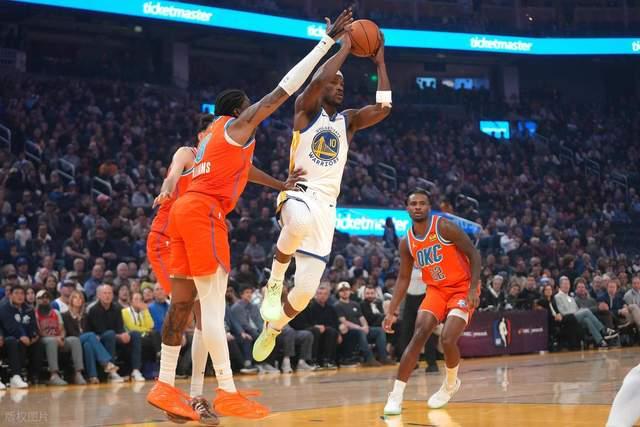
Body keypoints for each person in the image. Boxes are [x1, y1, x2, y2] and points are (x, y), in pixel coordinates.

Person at [147, 9, 353, 422]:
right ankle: (225, 391)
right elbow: (283, 89)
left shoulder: (211, 139)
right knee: (211, 311)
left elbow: (242, 171)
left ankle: (166, 386)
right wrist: (327, 43)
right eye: (248, 108)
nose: (255, 113)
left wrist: (279, 183)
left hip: (181, 215)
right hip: (203, 213)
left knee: (183, 304)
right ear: (239, 111)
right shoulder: (236, 126)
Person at [254, 18, 392, 367]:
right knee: (297, 222)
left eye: (343, 83)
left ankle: (273, 327)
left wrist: (379, 62)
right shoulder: (305, 109)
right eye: (335, 81)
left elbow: (384, 109)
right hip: (298, 192)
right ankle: (274, 282)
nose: (339, 86)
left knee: (303, 293)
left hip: (327, 208)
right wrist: (345, 45)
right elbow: (316, 80)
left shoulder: (348, 120)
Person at [382, 189, 481, 415]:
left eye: (422, 203)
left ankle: (450, 384)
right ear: (407, 208)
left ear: (429, 207)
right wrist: (391, 311)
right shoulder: (407, 242)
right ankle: (395, 396)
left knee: (447, 338)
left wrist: (473, 287)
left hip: (461, 287)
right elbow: (403, 278)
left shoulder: (443, 227)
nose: (418, 206)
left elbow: (474, 254)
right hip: (436, 290)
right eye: (413, 203)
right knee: (419, 333)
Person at [86, 285, 145, 381]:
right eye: (105, 293)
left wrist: (124, 334)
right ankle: (112, 373)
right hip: (100, 339)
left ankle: (136, 370)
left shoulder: (117, 308)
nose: (107, 296)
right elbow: (100, 330)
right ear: (99, 295)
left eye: (109, 293)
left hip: (116, 336)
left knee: (135, 334)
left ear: (113, 295)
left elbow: (120, 327)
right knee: (110, 334)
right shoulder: (93, 310)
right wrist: (118, 335)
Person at [62, 290, 122, 384]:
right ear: (71, 300)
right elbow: (71, 333)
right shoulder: (65, 315)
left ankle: (92, 376)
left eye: (80, 298)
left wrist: (93, 337)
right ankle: (106, 363)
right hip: (73, 341)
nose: (78, 300)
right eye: (75, 297)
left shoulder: (85, 316)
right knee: (90, 336)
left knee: (88, 345)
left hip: (85, 340)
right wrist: (90, 336)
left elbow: (89, 329)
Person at [35, 289, 86, 385]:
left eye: (47, 298)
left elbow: (62, 328)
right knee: (51, 341)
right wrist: (55, 338)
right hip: (43, 340)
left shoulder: (55, 312)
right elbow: (39, 331)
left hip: (58, 338)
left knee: (74, 340)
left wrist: (62, 337)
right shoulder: (35, 313)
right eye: (41, 298)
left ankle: (78, 374)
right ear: (37, 300)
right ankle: (54, 375)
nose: (45, 300)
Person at [0, 285, 44, 388]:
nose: (20, 296)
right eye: (16, 293)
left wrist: (33, 336)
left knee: (38, 343)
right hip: (8, 339)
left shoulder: (29, 309)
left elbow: (33, 326)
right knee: (14, 341)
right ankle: (16, 376)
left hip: (25, 339)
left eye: (22, 293)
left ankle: (34, 376)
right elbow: (10, 326)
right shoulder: (4, 308)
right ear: (10, 295)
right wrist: (22, 336)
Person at [554, 276, 617, 348]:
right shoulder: (557, 297)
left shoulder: (570, 298)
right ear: (560, 285)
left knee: (587, 320)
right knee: (586, 311)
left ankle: (600, 341)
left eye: (568, 284)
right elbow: (562, 311)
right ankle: (604, 330)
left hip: (576, 316)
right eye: (565, 284)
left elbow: (576, 309)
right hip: (568, 317)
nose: (567, 286)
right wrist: (576, 312)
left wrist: (579, 312)